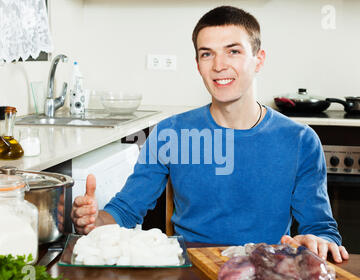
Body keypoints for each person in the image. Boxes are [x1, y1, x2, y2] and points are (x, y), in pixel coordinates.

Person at [67, 6, 349, 263]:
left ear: (259, 60)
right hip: (190, 270)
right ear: (198, 64)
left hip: (267, 273)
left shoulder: (300, 140)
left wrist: (318, 242)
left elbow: (321, 229)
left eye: (233, 51)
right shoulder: (171, 133)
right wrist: (94, 221)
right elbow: (126, 211)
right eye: (207, 54)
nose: (218, 65)